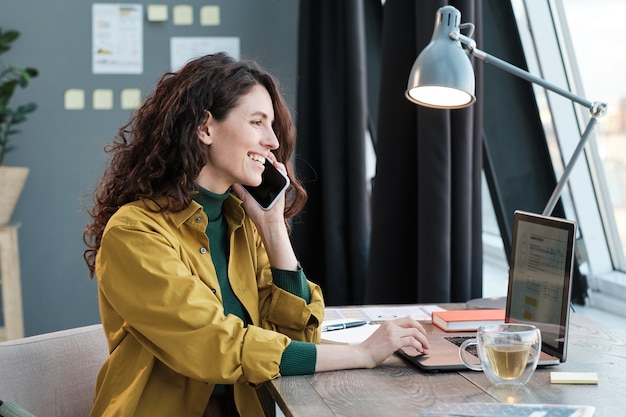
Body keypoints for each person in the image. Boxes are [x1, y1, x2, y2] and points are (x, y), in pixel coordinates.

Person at [82, 52, 430, 417]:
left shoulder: (243, 223)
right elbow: (214, 346)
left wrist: (272, 227)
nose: (272, 141)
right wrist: (361, 354)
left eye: (272, 125)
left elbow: (296, 340)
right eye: (257, 122)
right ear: (205, 128)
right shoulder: (135, 232)